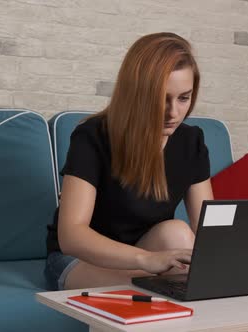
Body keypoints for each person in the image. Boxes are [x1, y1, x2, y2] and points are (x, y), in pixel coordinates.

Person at [44, 32, 214, 291]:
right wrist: (147, 260)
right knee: (156, 289)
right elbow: (72, 236)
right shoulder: (93, 136)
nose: (173, 112)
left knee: (178, 235)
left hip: (146, 252)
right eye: (161, 98)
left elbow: (208, 229)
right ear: (137, 92)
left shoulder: (191, 141)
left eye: (183, 98)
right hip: (80, 259)